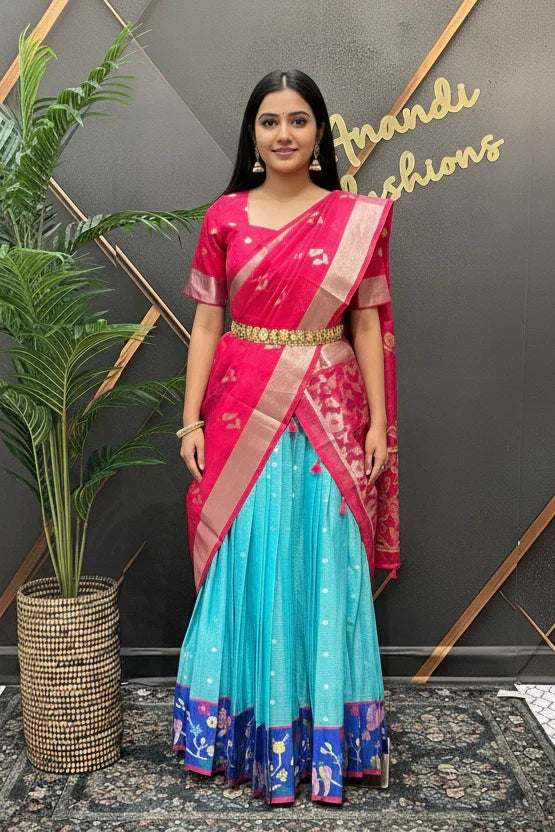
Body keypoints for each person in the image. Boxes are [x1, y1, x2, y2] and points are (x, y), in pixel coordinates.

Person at [171, 68, 400, 806]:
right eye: (269, 121)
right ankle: (240, 731)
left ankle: (327, 736)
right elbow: (206, 322)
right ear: (252, 134)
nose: (283, 135)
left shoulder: (352, 217)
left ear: (319, 132)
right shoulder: (225, 217)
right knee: (250, 557)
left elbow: (365, 320)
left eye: (297, 120)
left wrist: (376, 424)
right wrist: (190, 418)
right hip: (242, 408)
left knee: (323, 563)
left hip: (328, 411)